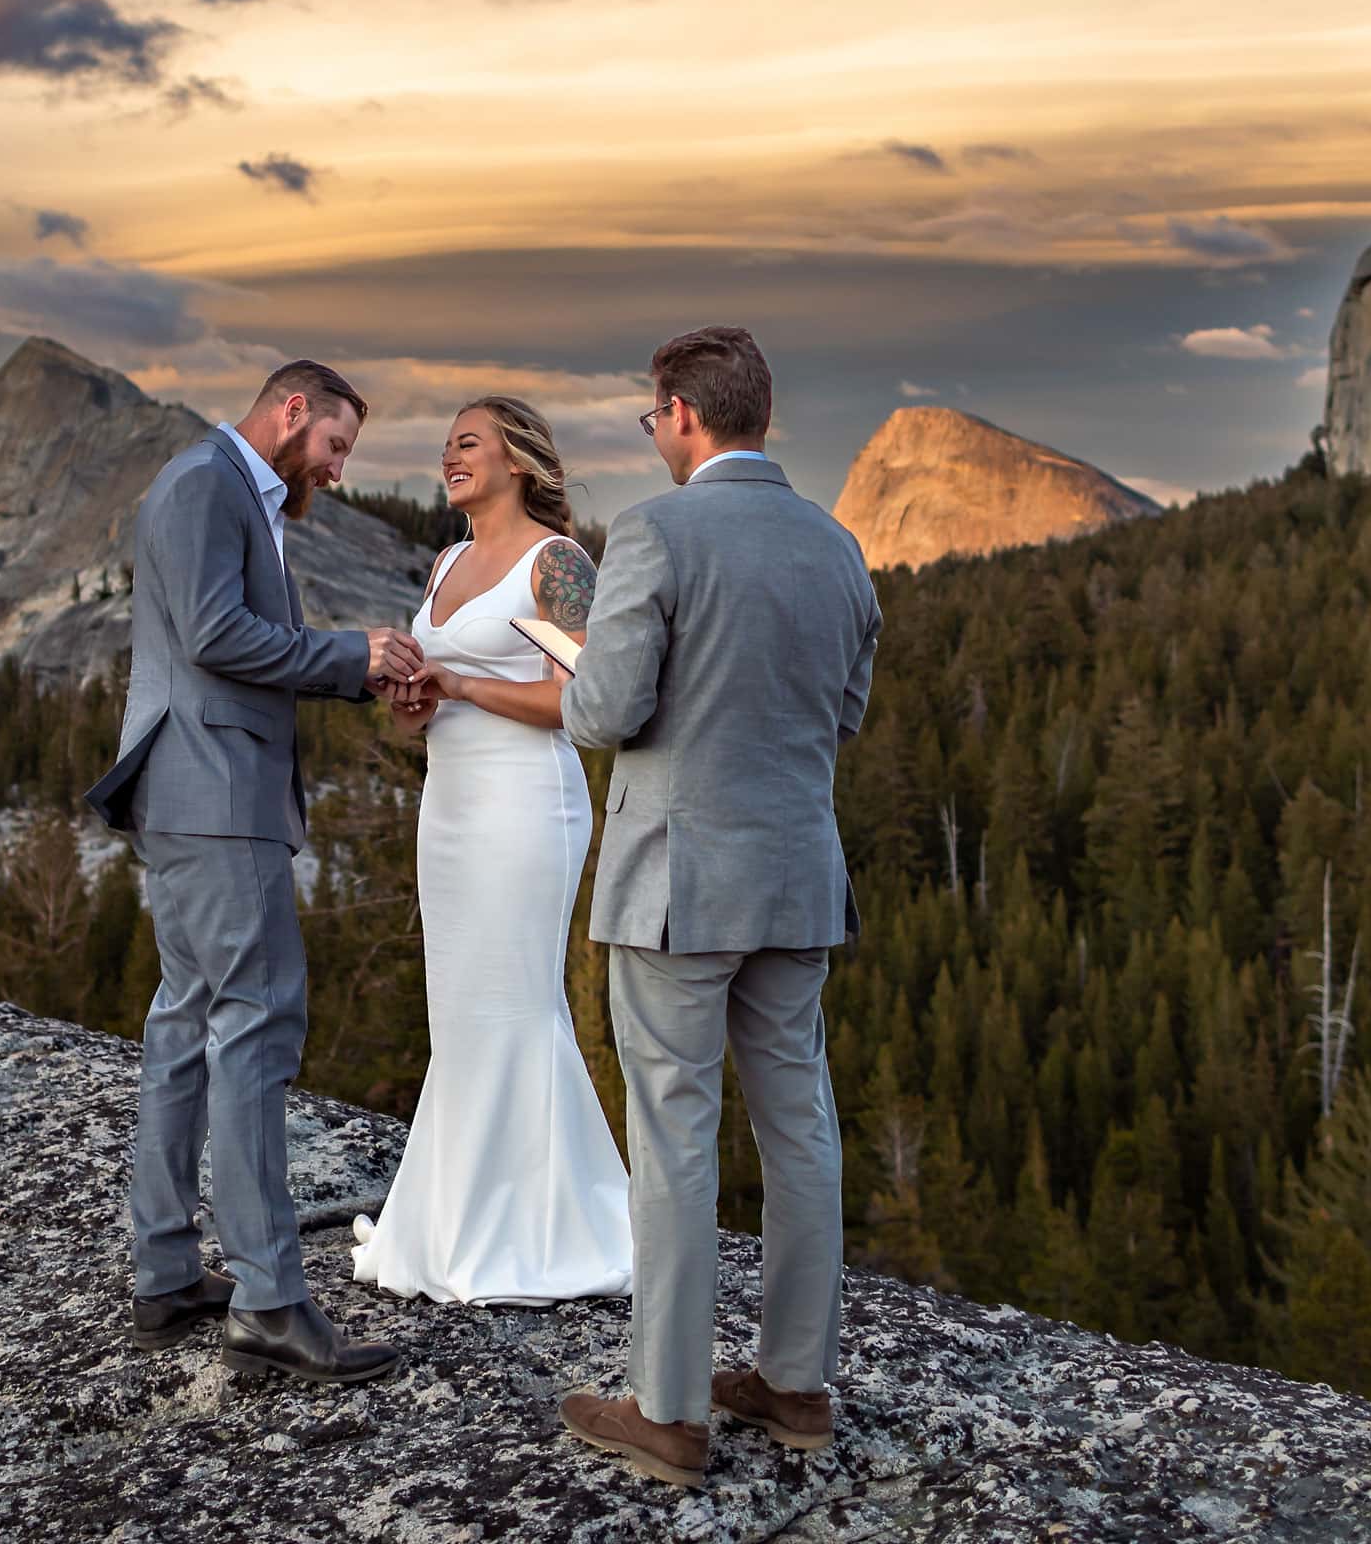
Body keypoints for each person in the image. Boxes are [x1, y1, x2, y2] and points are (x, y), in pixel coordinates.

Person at [552, 327, 882, 1489]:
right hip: (797, 877)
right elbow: (843, 712)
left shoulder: (655, 530)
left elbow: (601, 713)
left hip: (680, 887)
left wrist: (582, 660)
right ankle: (795, 1381)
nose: (658, 435)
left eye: (655, 418)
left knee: (675, 1134)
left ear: (684, 413)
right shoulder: (839, 547)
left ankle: (670, 1407)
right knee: (801, 1127)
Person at [85, 358, 423, 1384]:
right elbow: (217, 634)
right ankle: (272, 1300)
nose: (337, 465)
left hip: (204, 800)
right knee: (256, 1025)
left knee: (186, 1025)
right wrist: (351, 658)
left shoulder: (231, 491)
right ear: (291, 410)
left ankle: (166, 1270)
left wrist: (353, 672)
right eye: (334, 442)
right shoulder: (204, 484)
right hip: (215, 799)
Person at [348, 397, 635, 1306]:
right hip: (452, 804)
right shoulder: (444, 564)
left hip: (525, 804)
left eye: (467, 442)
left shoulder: (558, 563)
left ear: (517, 459)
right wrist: (415, 707)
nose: (450, 456)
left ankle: (544, 1229)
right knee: (461, 1012)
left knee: (515, 1002)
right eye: (447, 446)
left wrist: (463, 684)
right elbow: (425, 717)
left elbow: (581, 701)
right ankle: (457, 1215)